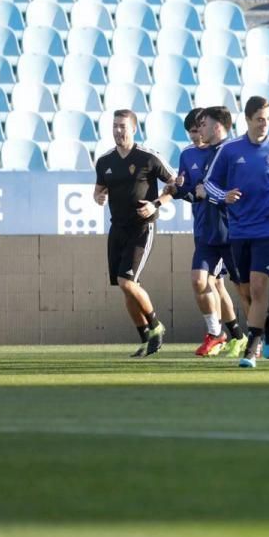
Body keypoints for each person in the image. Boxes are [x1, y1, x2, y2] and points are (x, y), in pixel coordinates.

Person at [203, 96, 269, 368]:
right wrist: (225, 196)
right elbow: (210, 185)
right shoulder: (231, 150)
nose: (265, 124)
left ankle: (251, 350)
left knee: (258, 286)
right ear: (247, 120)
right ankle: (268, 324)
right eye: (259, 119)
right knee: (245, 291)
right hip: (239, 230)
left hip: (267, 229)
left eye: (268, 119)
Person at [93, 109, 176, 357]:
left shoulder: (148, 157)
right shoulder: (105, 161)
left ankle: (155, 326)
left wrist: (156, 203)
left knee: (126, 281)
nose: (119, 131)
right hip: (117, 227)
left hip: (142, 226)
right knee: (127, 286)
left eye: (123, 126)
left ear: (134, 129)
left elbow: (174, 184)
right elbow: (98, 190)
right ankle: (145, 339)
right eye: (115, 126)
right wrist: (98, 196)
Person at [177, 107, 244, 357]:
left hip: (229, 229)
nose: (195, 135)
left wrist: (210, 194)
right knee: (203, 281)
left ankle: (247, 334)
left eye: (198, 129)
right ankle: (221, 334)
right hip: (204, 229)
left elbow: (229, 189)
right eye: (191, 132)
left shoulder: (225, 152)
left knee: (236, 286)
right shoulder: (188, 155)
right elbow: (189, 191)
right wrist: (182, 189)